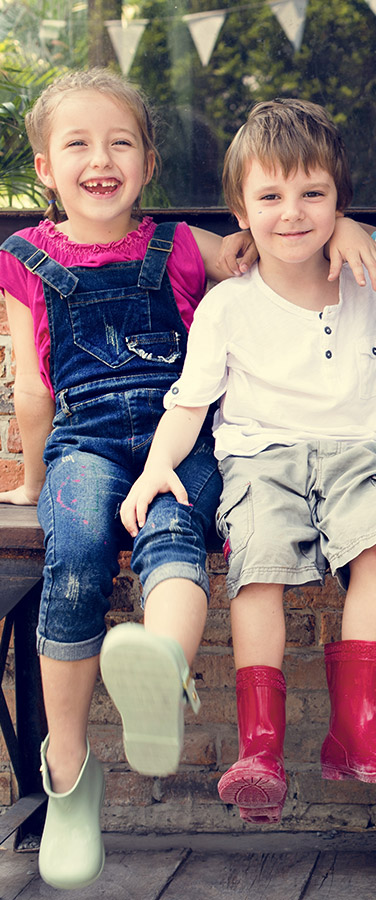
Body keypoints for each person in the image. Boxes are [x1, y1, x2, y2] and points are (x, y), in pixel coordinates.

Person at [120, 98, 376, 828]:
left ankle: (359, 729)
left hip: (358, 453)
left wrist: (357, 231)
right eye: (271, 197)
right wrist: (156, 467)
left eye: (314, 195)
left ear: (341, 203)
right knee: (257, 569)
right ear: (240, 210)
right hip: (261, 457)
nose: (292, 213)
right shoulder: (231, 304)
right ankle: (259, 749)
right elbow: (190, 403)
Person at [0, 68, 235, 890]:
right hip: (87, 446)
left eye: (120, 142)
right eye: (78, 144)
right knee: (76, 559)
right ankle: (68, 773)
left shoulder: (184, 247)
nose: (100, 159)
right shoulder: (24, 258)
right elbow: (33, 383)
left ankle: (160, 671)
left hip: (182, 436)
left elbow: (276, 245)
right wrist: (33, 479)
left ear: (150, 161)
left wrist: (346, 227)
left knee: (176, 532)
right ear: (44, 167)